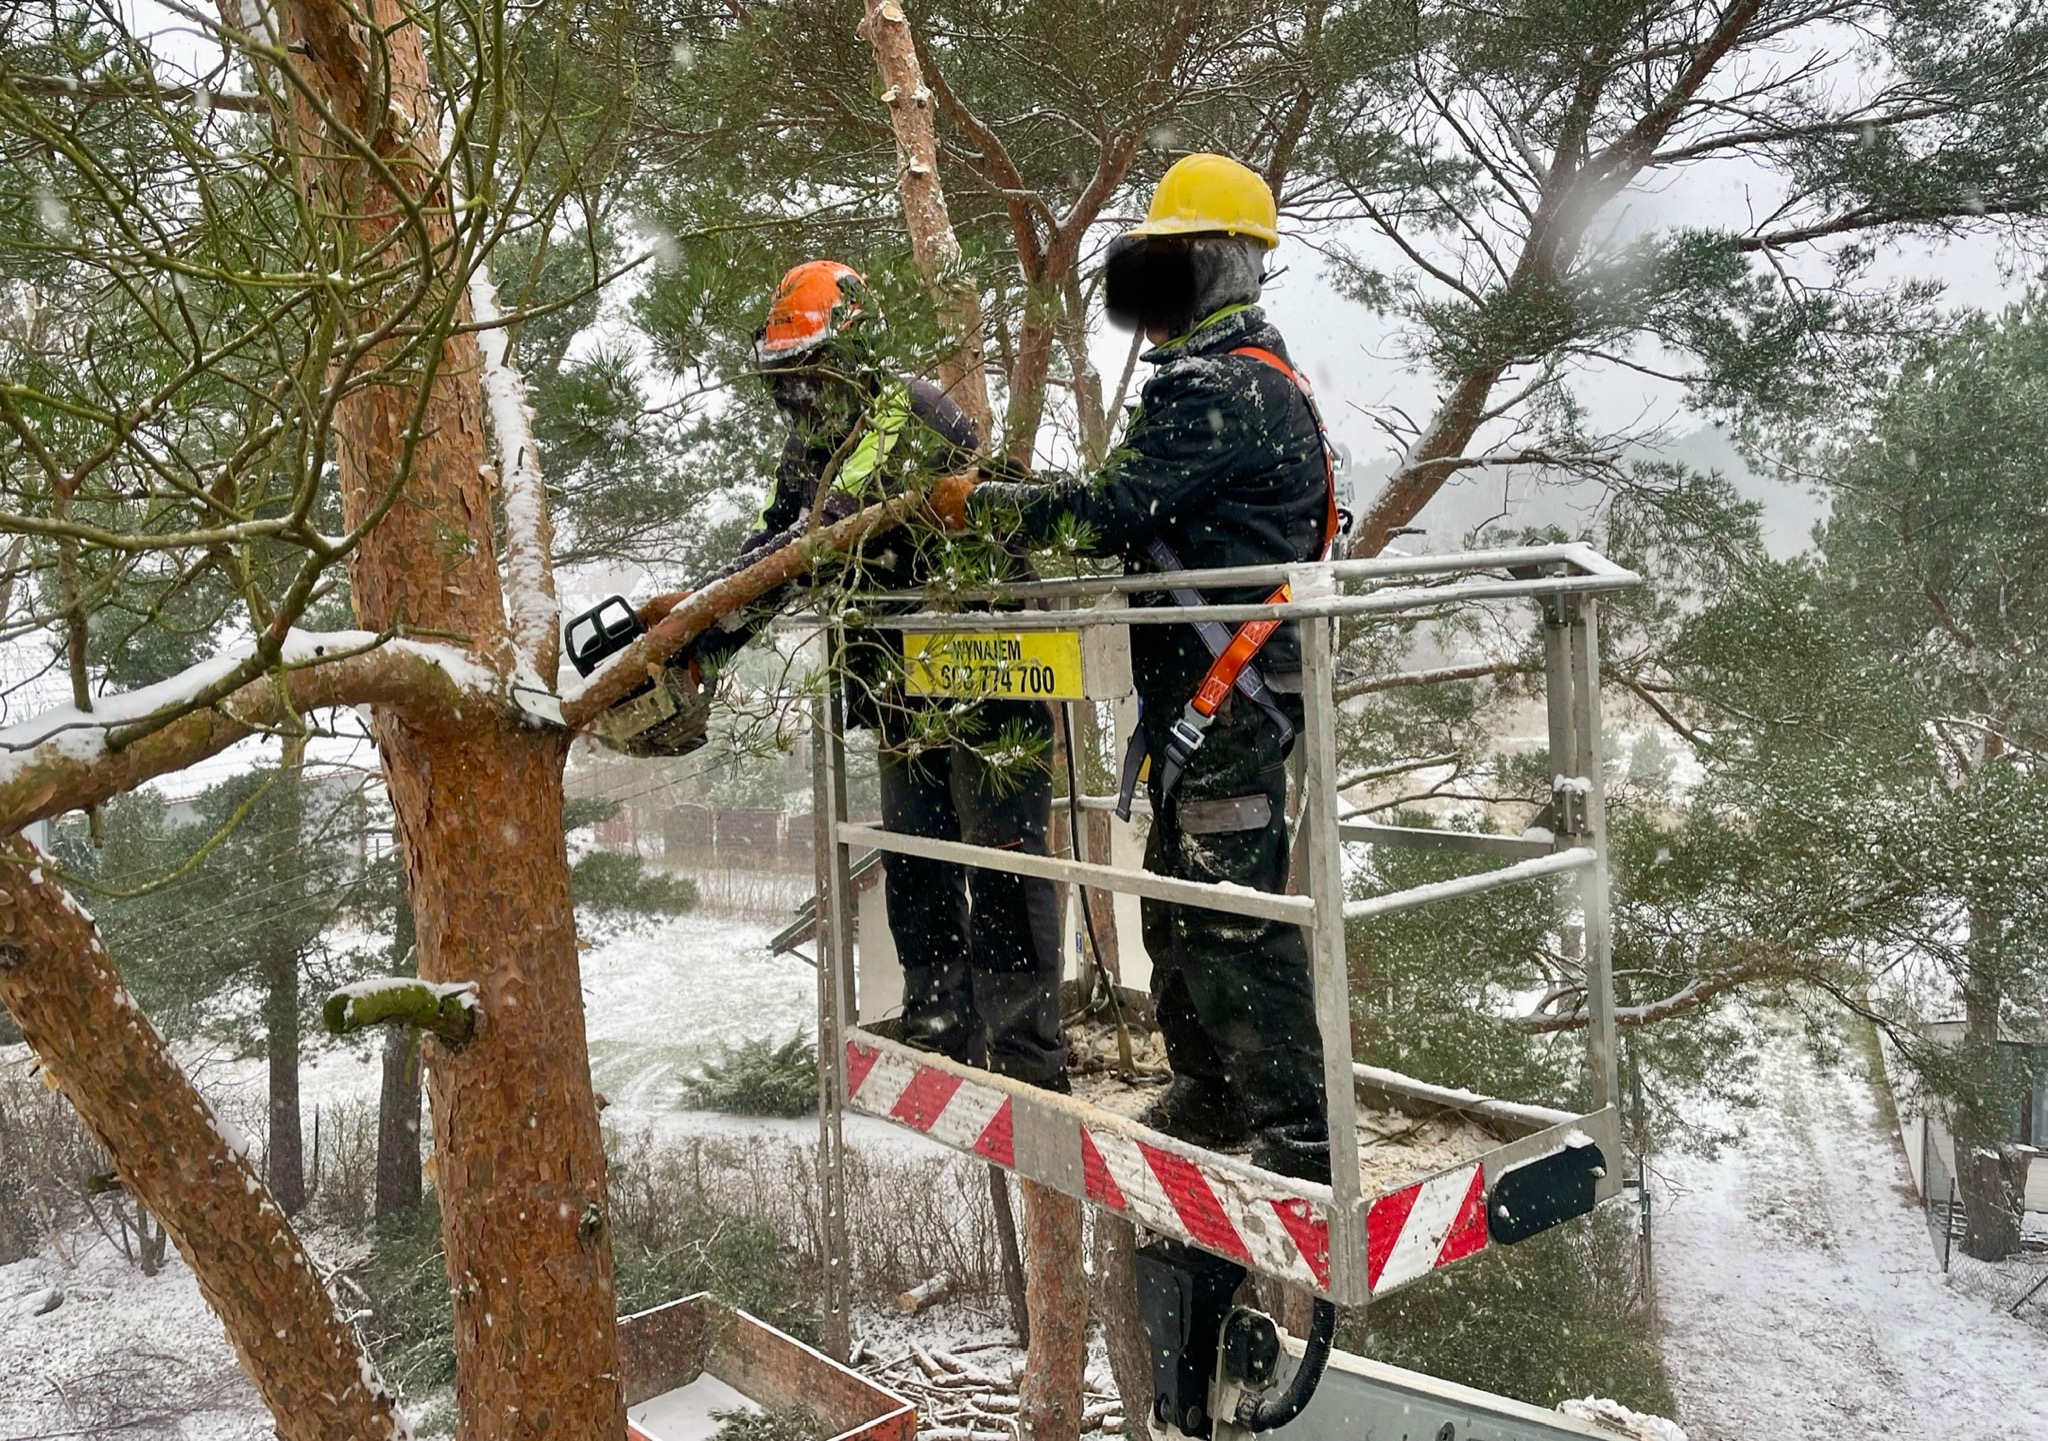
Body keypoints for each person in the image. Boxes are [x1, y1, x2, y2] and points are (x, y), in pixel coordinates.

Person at [929, 155, 1335, 1182]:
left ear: (1216, 266)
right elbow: (1135, 505)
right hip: (1204, 695)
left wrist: (980, 505)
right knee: (1177, 898)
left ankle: (1300, 1130)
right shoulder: (1236, 381)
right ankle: (1210, 1087)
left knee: (1232, 914)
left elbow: (1107, 509)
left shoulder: (1220, 389)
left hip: (1226, 697)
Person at [677, 259, 1068, 1092]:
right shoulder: (809, 449)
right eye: (786, 381)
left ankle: (1024, 1050)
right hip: (897, 683)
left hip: (989, 671)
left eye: (810, 377)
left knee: (1005, 858)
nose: (798, 398)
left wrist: (720, 616)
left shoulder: (911, 411)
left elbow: (819, 540)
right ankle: (939, 1019)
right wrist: (698, 632)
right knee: (914, 855)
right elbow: (770, 544)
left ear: (854, 359)